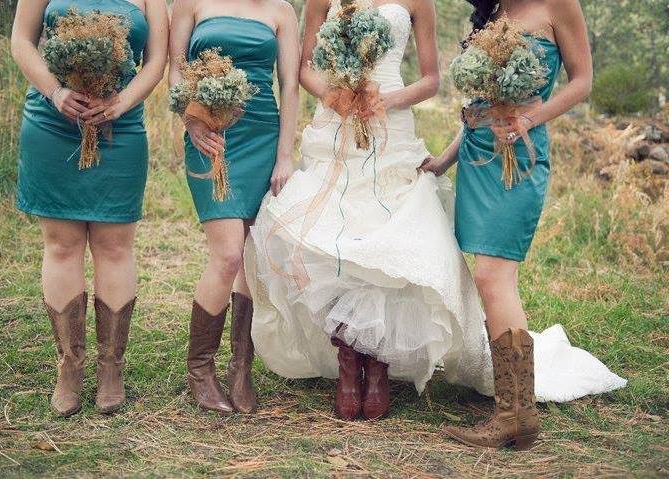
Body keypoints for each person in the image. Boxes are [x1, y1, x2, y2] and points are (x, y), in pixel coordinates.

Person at [245, 0, 496, 422]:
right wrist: (334, 94)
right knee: (338, 237)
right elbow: (304, 65)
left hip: (390, 129)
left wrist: (388, 100)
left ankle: (378, 367)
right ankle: (347, 363)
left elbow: (432, 80)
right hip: (336, 122)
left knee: (383, 239)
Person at [422, 0, 594, 449]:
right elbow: (482, 102)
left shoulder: (559, 5)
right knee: (487, 277)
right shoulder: (494, 12)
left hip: (519, 156)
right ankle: (513, 410)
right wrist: (443, 160)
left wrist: (528, 119)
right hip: (478, 156)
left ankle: (516, 415)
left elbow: (583, 83)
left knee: (492, 276)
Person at [11, 0, 168, 416]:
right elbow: (21, 42)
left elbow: (155, 62)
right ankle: (70, 366)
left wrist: (122, 102)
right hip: (51, 121)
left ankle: (111, 367)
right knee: (61, 246)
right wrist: (55, 90)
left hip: (121, 125)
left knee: (114, 247)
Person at [168, 0, 300, 413]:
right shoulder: (190, 3)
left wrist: (284, 155)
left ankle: (241, 367)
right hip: (210, 137)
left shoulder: (281, 10)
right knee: (227, 255)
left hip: (263, 134)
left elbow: (290, 85)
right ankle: (200, 370)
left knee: (250, 259)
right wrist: (191, 121)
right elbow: (175, 69)